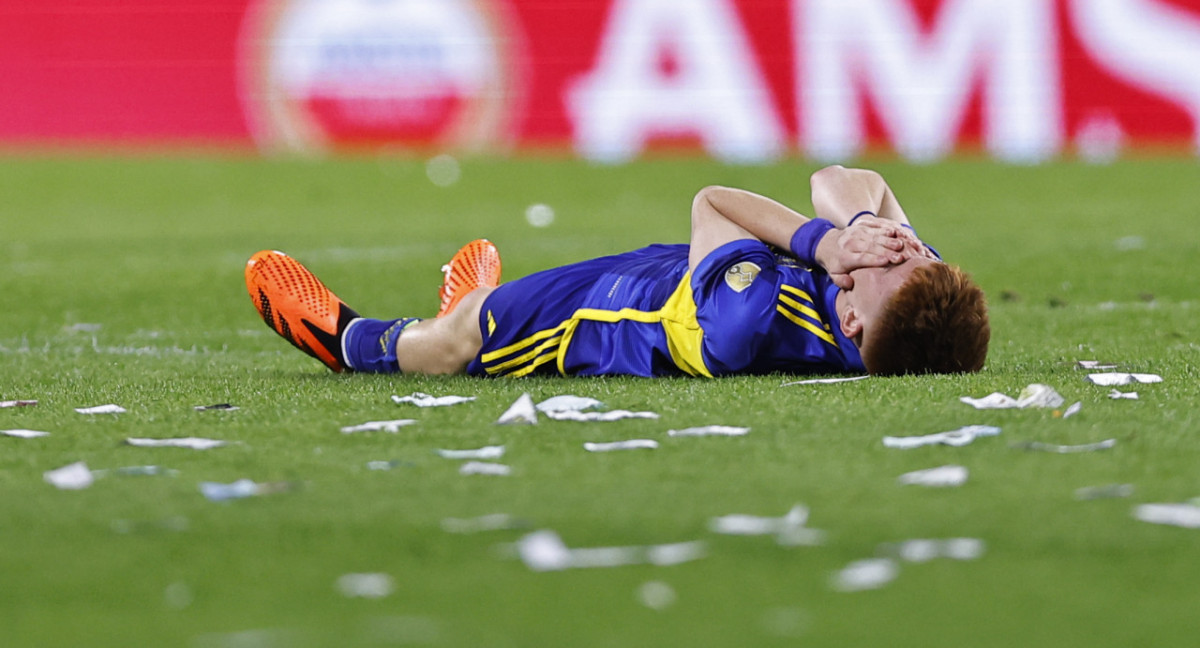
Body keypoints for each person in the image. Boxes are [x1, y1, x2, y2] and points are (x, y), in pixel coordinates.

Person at [245, 165, 989, 377]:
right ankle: (473, 294)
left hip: (621, 315)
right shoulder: (899, 293)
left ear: (850, 316)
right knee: (482, 308)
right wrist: (860, 225)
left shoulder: (746, 316)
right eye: (910, 244)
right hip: (692, 268)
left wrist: (825, 246)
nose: (891, 247)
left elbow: (716, 203)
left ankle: (350, 340)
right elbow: (846, 177)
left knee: (461, 343)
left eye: (882, 258)